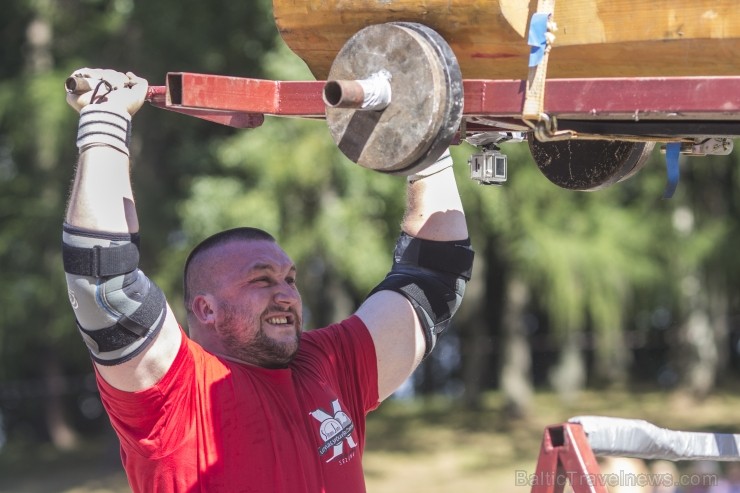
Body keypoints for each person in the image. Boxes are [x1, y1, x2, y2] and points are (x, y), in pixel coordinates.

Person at [62, 68, 474, 492]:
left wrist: (425, 140)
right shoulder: (178, 393)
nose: (286, 295)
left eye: (290, 280)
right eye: (261, 281)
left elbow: (433, 277)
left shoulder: (329, 365)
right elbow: (105, 288)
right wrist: (105, 120)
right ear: (206, 308)